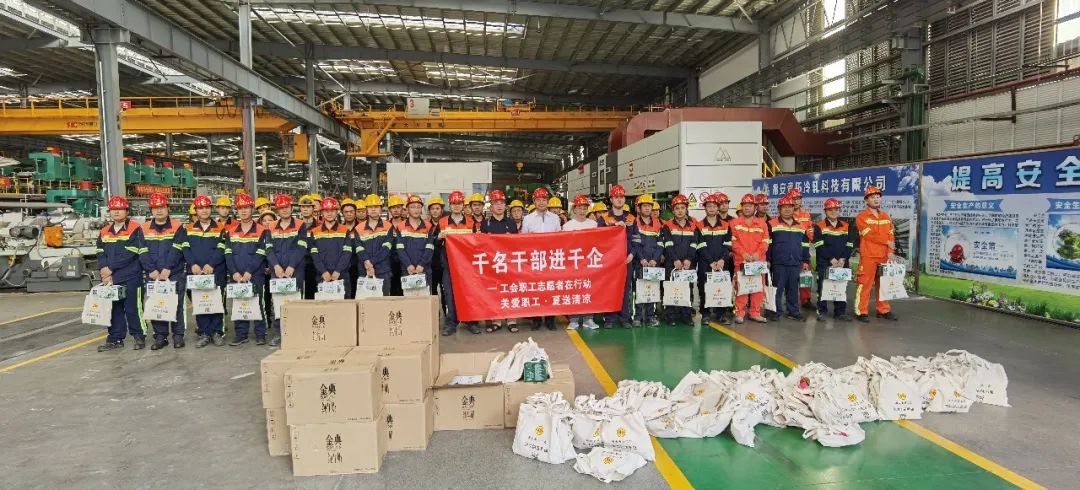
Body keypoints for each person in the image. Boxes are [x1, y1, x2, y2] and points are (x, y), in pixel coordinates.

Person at [96, 195, 148, 352]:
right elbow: (100, 251)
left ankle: (139, 336)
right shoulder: (105, 231)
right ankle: (115, 338)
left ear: (127, 211)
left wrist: (110, 268)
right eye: (114, 209)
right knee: (113, 310)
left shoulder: (135, 228)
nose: (116, 212)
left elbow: (131, 252)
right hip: (111, 278)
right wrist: (103, 268)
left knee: (133, 308)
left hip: (131, 276)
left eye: (120, 209)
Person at [224, 193, 271, 345]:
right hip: (236, 275)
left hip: (255, 274)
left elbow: (261, 252)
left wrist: (249, 271)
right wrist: (234, 273)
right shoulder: (231, 231)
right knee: (240, 303)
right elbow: (228, 253)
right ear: (236, 211)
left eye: (246, 208)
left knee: (258, 303)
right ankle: (241, 334)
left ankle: (260, 333)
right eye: (240, 208)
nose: (243, 211)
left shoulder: (262, 230)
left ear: (252, 209)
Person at [140, 192, 186, 350]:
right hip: (153, 274)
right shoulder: (144, 228)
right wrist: (151, 270)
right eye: (155, 207)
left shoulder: (177, 227)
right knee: (157, 305)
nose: (159, 210)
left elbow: (177, 248)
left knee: (177, 305)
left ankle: (178, 335)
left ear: (168, 208)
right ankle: (160, 337)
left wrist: (168, 268)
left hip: (174, 273)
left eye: (162, 207)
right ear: (151, 210)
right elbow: (142, 250)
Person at [183, 195, 228, 347]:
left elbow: (222, 247)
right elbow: (185, 248)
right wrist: (193, 264)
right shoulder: (188, 229)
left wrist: (211, 264)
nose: (204, 210)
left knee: (216, 302)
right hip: (196, 272)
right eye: (200, 208)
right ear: (196, 210)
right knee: (200, 302)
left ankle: (217, 332)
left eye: (207, 207)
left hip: (216, 271)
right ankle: (204, 333)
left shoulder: (220, 227)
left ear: (211, 209)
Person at [266, 194, 308, 346]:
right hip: (276, 271)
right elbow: (269, 249)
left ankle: (296, 333)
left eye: (287, 207)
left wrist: (291, 266)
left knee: (296, 301)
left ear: (291, 208)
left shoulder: (300, 225)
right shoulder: (271, 226)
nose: (284, 210)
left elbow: (301, 247)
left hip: (295, 270)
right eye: (281, 207)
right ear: (277, 210)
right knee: (278, 302)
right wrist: (276, 266)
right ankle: (279, 333)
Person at [854, 185, 899, 322]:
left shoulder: (886, 216)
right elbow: (869, 235)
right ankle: (861, 311)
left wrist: (890, 252)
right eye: (873, 197)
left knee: (884, 285)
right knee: (864, 284)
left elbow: (891, 235)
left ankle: (883, 310)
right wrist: (886, 242)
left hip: (884, 256)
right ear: (866, 200)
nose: (876, 199)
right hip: (868, 256)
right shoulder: (861, 217)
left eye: (878, 197)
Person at [437, 191, 479, 335]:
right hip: (449, 266)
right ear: (450, 205)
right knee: (449, 296)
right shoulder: (442, 222)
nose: (456, 206)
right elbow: (435, 243)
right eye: (454, 204)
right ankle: (451, 324)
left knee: (469, 295)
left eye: (459, 203)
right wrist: (439, 237)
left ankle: (471, 322)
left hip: (466, 267)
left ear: (463, 205)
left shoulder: (471, 222)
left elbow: (476, 245)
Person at [521, 187, 562, 330]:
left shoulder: (555, 218)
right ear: (534, 201)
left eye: (544, 199)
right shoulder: (527, 219)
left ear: (547, 201)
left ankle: (550, 319)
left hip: (551, 259)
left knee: (551, 288)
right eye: (538, 200)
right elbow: (523, 240)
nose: (541, 202)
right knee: (536, 289)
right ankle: (536, 319)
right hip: (534, 259)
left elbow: (560, 238)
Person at [480, 189, 519, 333]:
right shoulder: (485, 224)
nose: (499, 206)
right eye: (496, 203)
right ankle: (496, 320)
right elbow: (481, 244)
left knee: (510, 290)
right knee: (494, 292)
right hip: (493, 264)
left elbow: (517, 244)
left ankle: (511, 320)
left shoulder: (511, 223)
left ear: (505, 206)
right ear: (491, 206)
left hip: (509, 263)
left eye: (502, 203)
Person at [767, 195, 810, 321]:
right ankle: (775, 312)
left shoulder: (801, 226)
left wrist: (805, 260)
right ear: (779, 209)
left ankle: (793, 311)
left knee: (793, 289)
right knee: (777, 289)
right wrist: (768, 259)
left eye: (790, 207)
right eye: (784, 207)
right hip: (778, 263)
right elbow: (768, 244)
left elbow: (805, 244)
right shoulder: (771, 224)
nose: (787, 209)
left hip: (795, 263)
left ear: (793, 208)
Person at [598, 185, 635, 329]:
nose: (619, 200)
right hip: (610, 261)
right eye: (616, 197)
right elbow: (600, 239)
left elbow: (636, 239)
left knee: (626, 289)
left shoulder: (631, 218)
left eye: (621, 197)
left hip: (627, 260)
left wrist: (632, 254)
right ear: (611, 199)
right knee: (610, 288)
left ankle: (625, 318)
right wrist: (614, 227)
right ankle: (609, 318)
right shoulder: (604, 218)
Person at [563, 195, 600, 330]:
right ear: (574, 209)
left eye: (585, 208)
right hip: (573, 263)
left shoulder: (593, 225)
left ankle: (588, 319)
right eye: (579, 208)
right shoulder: (567, 226)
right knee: (574, 290)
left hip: (589, 262)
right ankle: (573, 319)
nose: (582, 211)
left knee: (589, 290)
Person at [813, 198, 854, 322]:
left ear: (839, 210)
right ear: (825, 211)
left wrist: (843, 259)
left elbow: (850, 244)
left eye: (836, 209)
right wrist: (831, 259)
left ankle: (840, 312)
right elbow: (819, 245)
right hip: (824, 263)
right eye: (830, 209)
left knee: (841, 288)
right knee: (823, 288)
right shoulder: (819, 226)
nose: (833, 212)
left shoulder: (846, 226)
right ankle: (822, 312)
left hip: (842, 263)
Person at [731, 193, 769, 324]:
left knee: (757, 287)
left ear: (755, 207)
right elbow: (733, 241)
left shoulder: (762, 224)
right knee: (741, 287)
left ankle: (755, 313)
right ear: (742, 207)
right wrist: (743, 254)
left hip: (758, 261)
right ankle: (739, 313)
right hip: (741, 261)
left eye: (750, 205)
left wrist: (758, 254)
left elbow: (765, 241)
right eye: (745, 205)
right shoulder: (734, 223)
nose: (747, 208)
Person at [661, 194, 698, 325]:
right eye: (677, 208)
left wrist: (689, 259)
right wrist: (675, 260)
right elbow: (668, 244)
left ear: (686, 209)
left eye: (682, 207)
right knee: (671, 288)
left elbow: (694, 243)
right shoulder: (667, 225)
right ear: (673, 210)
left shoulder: (693, 225)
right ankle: (671, 316)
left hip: (688, 263)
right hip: (671, 263)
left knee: (687, 289)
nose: (680, 210)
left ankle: (686, 315)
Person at [697, 192, 732, 324]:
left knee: (721, 287)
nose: (711, 208)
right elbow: (700, 245)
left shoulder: (725, 225)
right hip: (705, 263)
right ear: (705, 208)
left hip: (722, 263)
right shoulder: (699, 225)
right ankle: (705, 314)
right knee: (704, 288)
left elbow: (728, 244)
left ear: (718, 208)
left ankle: (720, 314)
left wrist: (722, 259)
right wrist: (711, 261)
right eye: (709, 206)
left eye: (714, 206)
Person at [309, 197, 354, 296]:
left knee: (345, 304)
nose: (329, 214)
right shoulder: (315, 232)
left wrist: (338, 271)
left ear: (337, 212)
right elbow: (314, 255)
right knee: (324, 305)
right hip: (322, 276)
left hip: (341, 275)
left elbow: (347, 253)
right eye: (326, 211)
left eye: (332, 211)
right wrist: (323, 271)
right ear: (322, 212)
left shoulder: (344, 230)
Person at [630, 194, 662, 328]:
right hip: (639, 263)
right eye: (644, 206)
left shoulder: (658, 223)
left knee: (652, 289)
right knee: (638, 289)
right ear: (639, 208)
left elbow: (660, 244)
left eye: (649, 206)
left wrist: (655, 259)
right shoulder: (635, 223)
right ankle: (637, 316)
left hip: (654, 264)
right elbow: (634, 244)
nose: (647, 208)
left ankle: (650, 316)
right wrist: (641, 258)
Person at [396, 195, 436, 300]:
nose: (416, 209)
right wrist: (408, 265)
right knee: (409, 301)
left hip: (424, 269)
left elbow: (430, 247)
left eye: (418, 207)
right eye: (412, 207)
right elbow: (400, 249)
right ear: (407, 209)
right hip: (407, 270)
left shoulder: (428, 226)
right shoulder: (400, 226)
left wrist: (422, 264)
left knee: (425, 301)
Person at [355, 194, 394, 297]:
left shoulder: (388, 226)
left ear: (381, 209)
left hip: (383, 270)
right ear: (366, 209)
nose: (373, 209)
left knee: (383, 301)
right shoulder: (359, 228)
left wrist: (370, 263)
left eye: (376, 207)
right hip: (364, 270)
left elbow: (386, 248)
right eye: (370, 207)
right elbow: (359, 248)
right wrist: (367, 263)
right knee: (365, 302)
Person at [788, 188, 816, 309]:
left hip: (804, 250)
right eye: (794, 199)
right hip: (790, 251)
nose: (796, 201)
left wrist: (809, 236)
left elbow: (810, 231)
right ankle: (790, 300)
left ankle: (806, 300)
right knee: (791, 278)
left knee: (805, 275)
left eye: (798, 199)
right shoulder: (786, 214)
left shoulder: (806, 214)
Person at [298, 194, 319, 299]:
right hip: (298, 265)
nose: (305, 209)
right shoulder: (295, 226)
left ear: (313, 208)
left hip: (315, 266)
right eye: (303, 207)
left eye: (308, 207)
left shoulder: (320, 226)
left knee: (314, 294)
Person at [426, 195, 446, 299]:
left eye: (437, 208)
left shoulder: (446, 224)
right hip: (431, 264)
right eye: (432, 209)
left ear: (442, 210)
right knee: (432, 291)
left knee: (445, 292)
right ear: (429, 211)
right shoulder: (425, 225)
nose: (435, 211)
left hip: (444, 264)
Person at [340, 198, 360, 299]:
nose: (349, 214)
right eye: (346, 212)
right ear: (342, 213)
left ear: (355, 212)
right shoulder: (340, 229)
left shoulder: (361, 228)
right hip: (344, 268)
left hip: (360, 267)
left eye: (351, 211)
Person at [387, 194, 406, 296]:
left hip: (405, 262)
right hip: (389, 263)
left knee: (405, 290)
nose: (395, 210)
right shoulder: (385, 226)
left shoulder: (408, 225)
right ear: (390, 210)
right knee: (392, 290)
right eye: (393, 208)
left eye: (398, 207)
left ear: (402, 209)